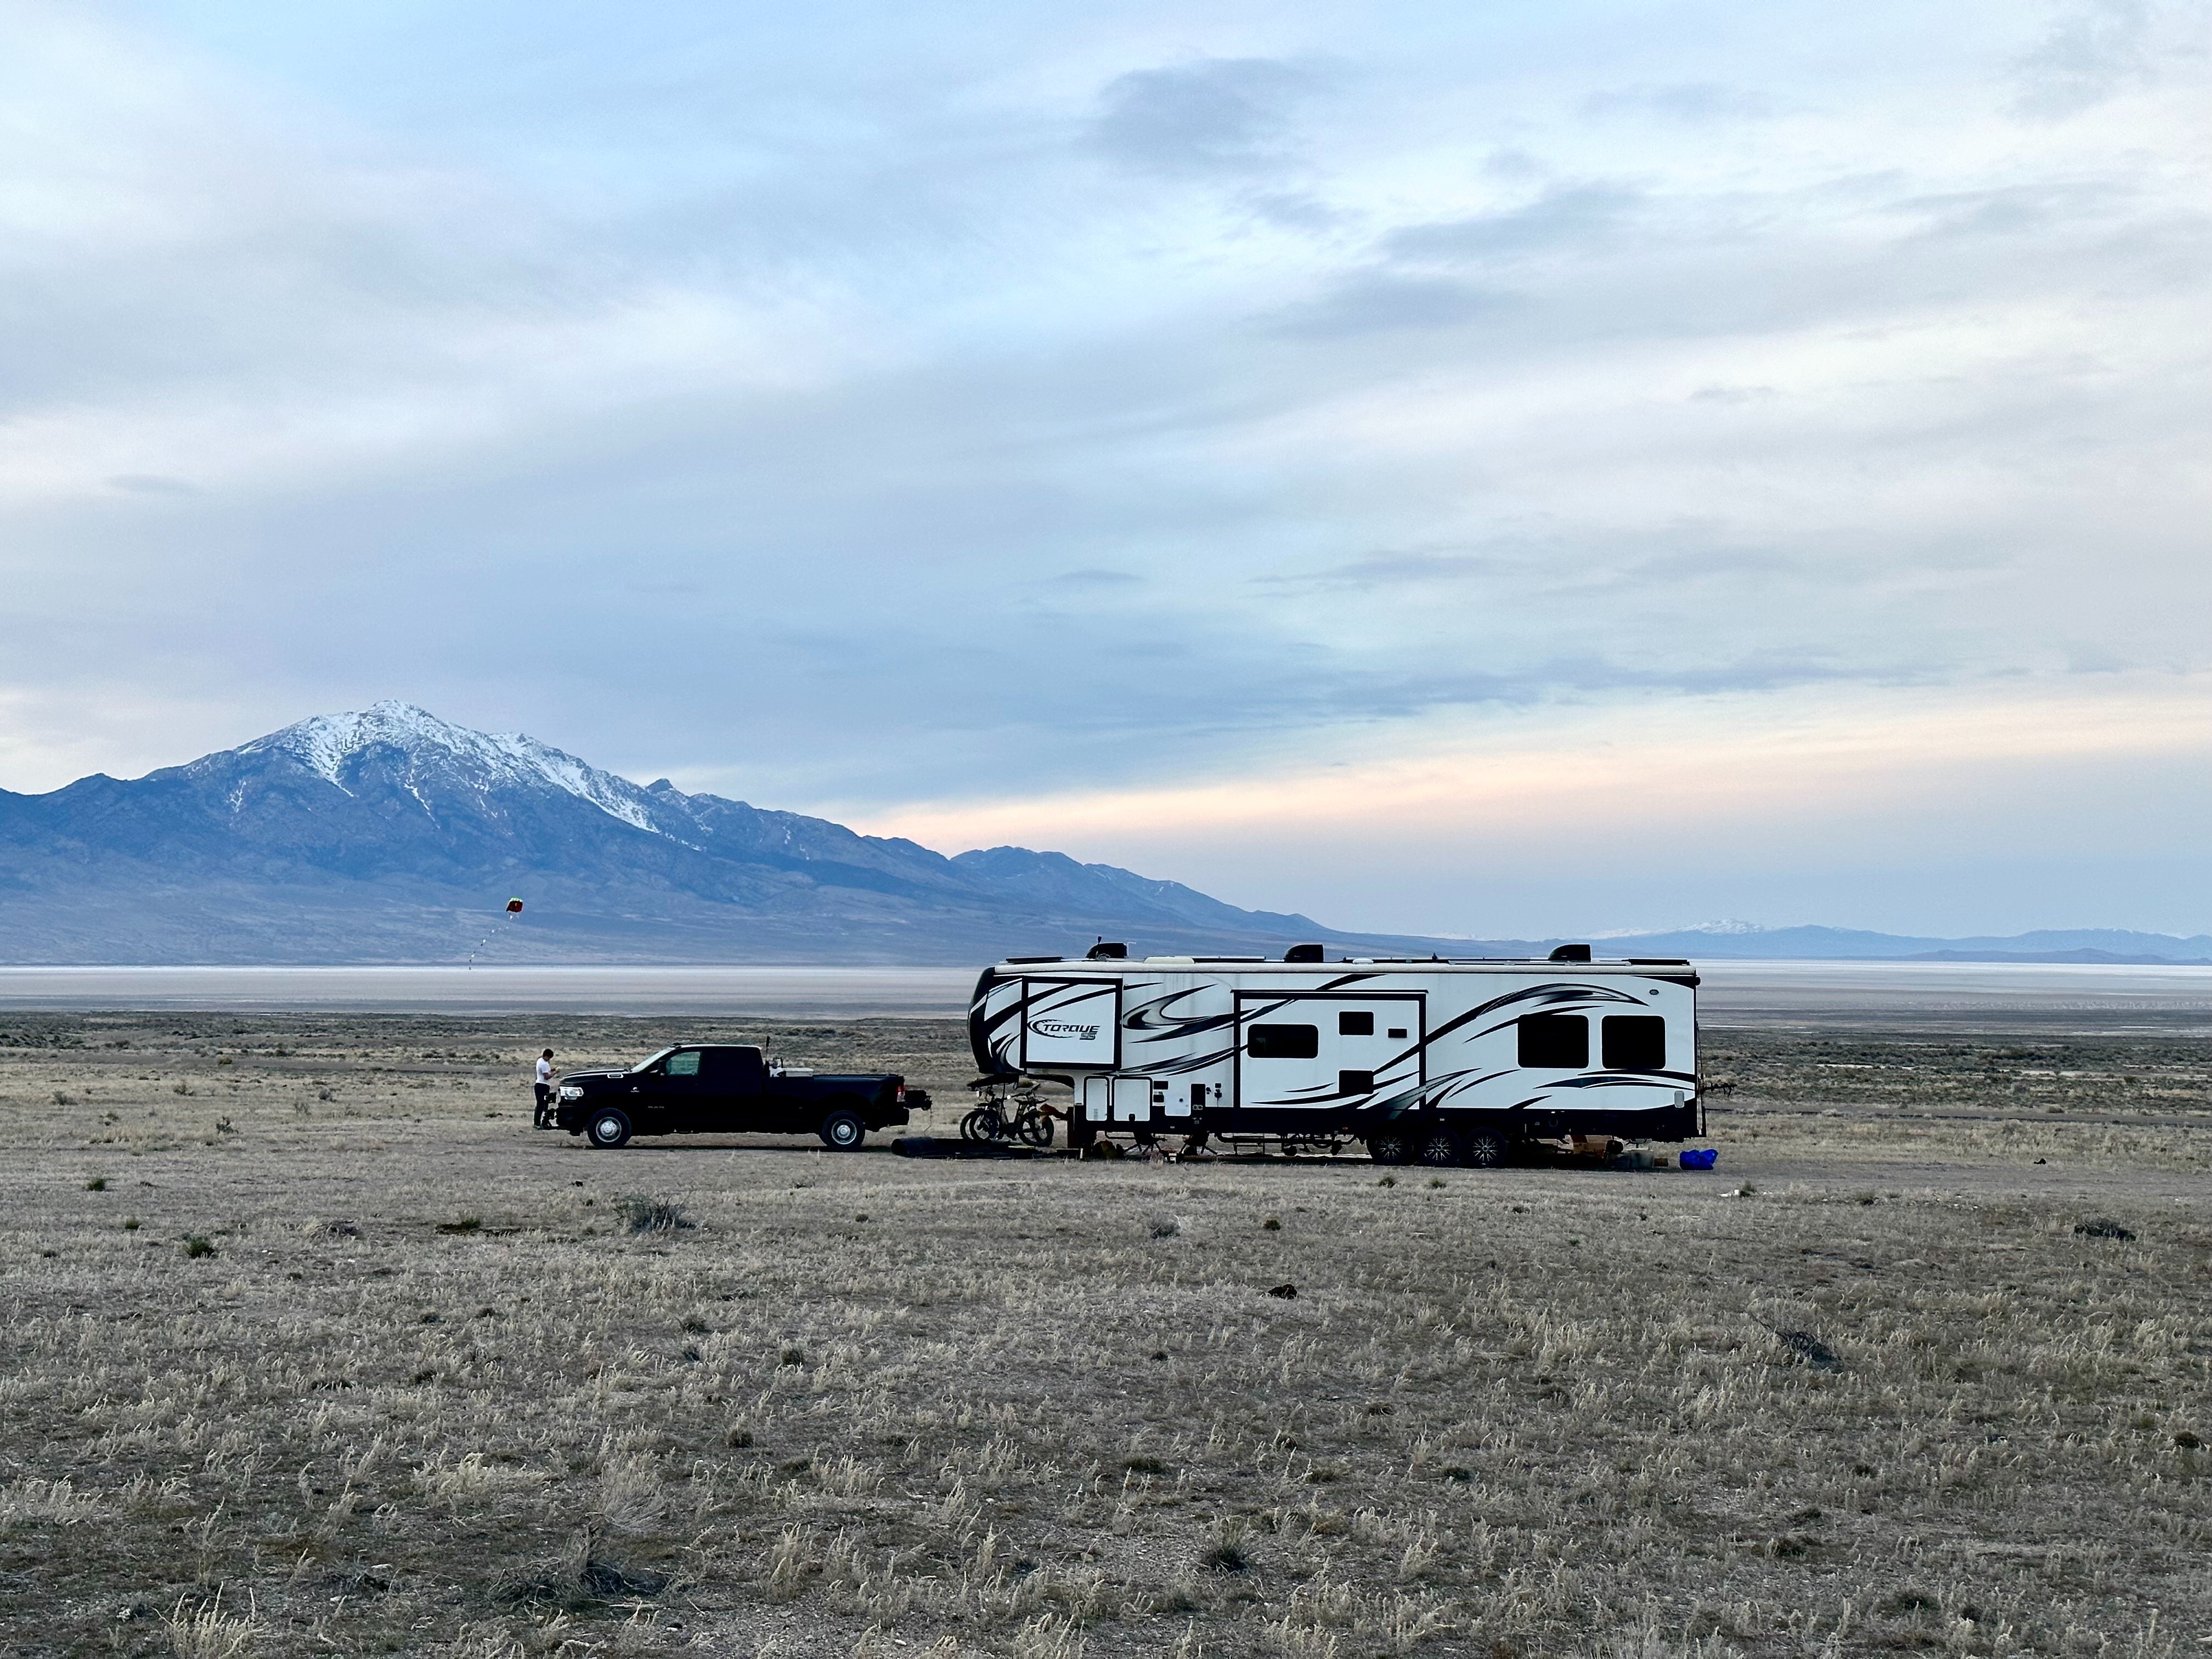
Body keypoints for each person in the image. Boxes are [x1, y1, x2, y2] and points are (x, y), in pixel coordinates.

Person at [533, 1049, 558, 1128]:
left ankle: (539, 1122)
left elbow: (546, 1071)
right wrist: (555, 1073)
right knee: (541, 1105)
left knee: (543, 1105)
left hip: (540, 1085)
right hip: (542, 1086)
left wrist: (553, 1070)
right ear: (547, 1056)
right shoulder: (544, 1064)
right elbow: (546, 1077)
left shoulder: (540, 1061)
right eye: (549, 1058)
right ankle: (537, 1124)